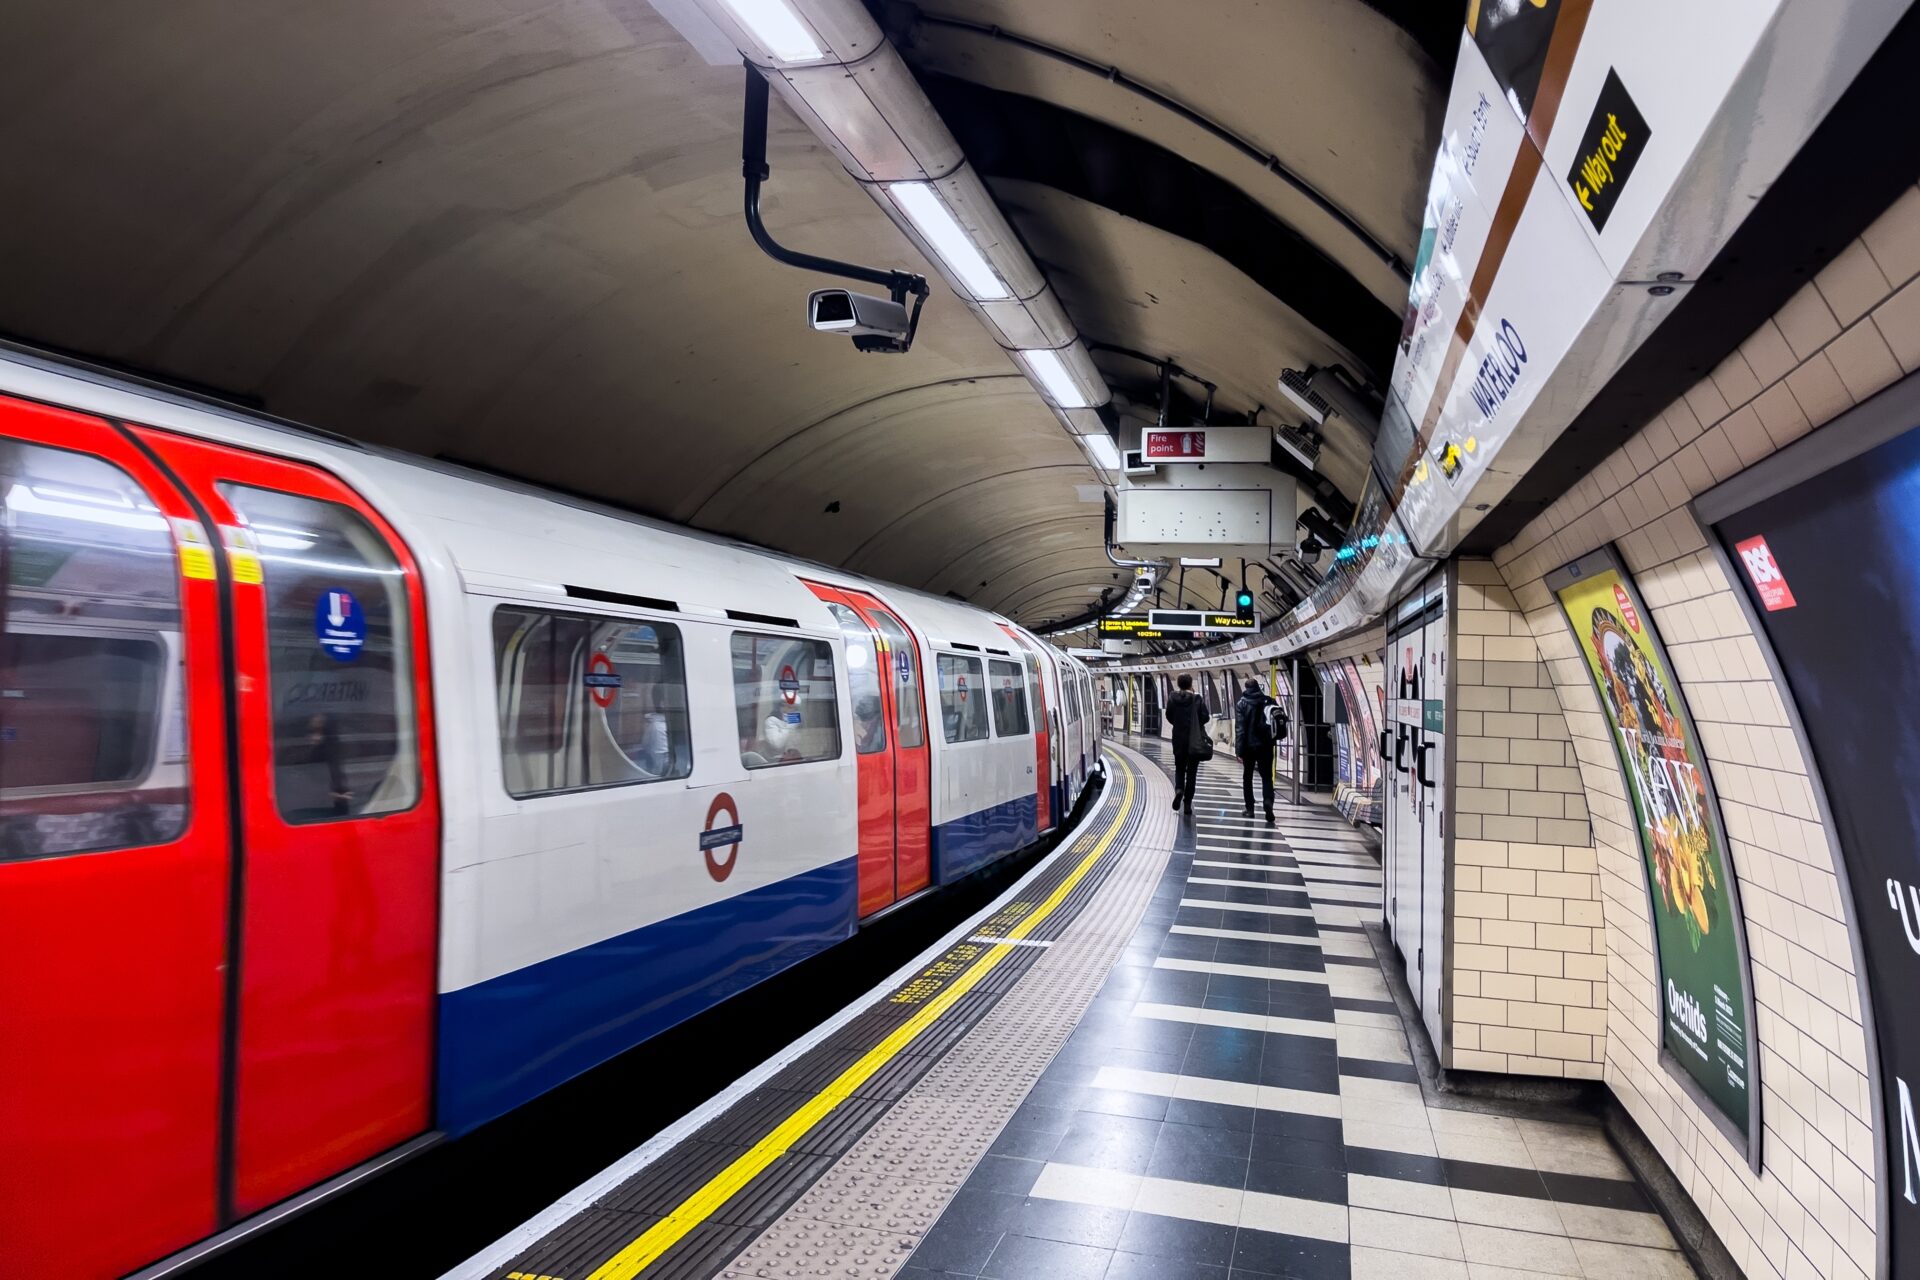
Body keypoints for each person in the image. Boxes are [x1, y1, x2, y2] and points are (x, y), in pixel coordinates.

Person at [1234, 677, 1277, 825]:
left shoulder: (1242, 704)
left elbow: (1240, 729)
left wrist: (1238, 751)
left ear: (1246, 688)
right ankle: (1268, 802)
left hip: (1249, 747)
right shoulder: (1269, 701)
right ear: (1258, 687)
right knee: (1266, 776)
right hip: (1266, 746)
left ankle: (1250, 809)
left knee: (1248, 777)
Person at [1164, 674, 1208, 814]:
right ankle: (1187, 803)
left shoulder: (1172, 698)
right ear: (1190, 684)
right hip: (1195, 740)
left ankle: (1179, 790)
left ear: (1178, 684)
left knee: (1179, 768)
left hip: (1178, 739)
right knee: (1192, 773)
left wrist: (1178, 724)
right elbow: (1205, 717)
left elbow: (1169, 716)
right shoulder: (1197, 699)